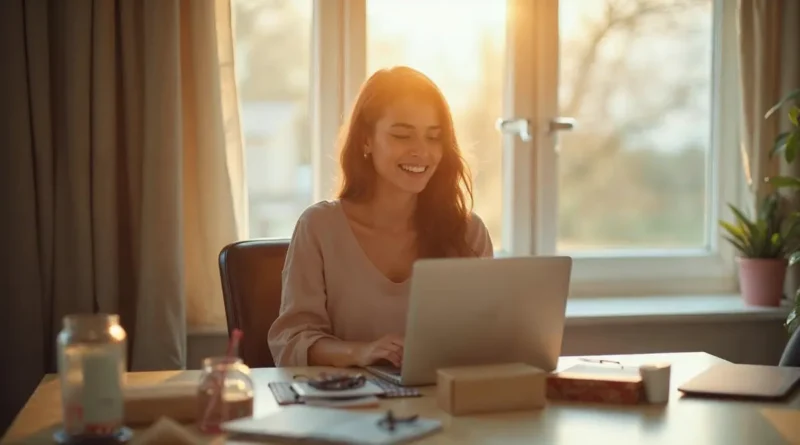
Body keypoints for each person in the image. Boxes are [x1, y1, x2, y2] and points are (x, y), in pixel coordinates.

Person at [267, 66, 494, 368]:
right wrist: (361, 352)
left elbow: (486, 336)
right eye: (402, 135)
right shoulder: (319, 227)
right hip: (348, 395)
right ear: (366, 140)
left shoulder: (468, 232)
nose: (421, 151)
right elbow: (292, 341)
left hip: (441, 395)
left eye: (434, 137)